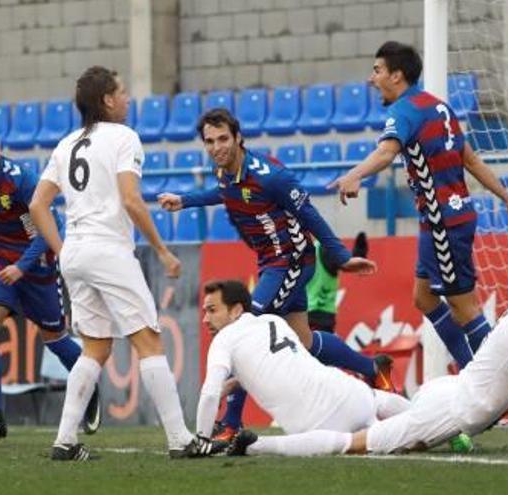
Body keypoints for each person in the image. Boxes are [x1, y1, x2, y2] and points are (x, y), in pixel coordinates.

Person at [158, 109, 393, 440]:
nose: (216, 147)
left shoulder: (271, 177)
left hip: (290, 260)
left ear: (239, 138)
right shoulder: (227, 170)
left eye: (223, 139)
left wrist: (341, 256)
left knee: (244, 328)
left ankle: (230, 424)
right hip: (272, 261)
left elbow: (309, 213)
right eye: (209, 142)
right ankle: (372, 368)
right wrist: (185, 201)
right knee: (305, 341)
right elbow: (225, 192)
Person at [224, 258, 508, 458]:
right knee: (353, 445)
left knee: (384, 427)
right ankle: (256, 445)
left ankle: (364, 396)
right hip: (448, 413)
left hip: (447, 395)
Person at [29, 66, 212, 461]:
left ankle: (65, 441)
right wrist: (162, 250)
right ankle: (181, 440)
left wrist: (62, 250)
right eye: (123, 92)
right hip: (108, 248)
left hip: (75, 252)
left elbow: (36, 204)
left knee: (95, 347)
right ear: (107, 100)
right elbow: (131, 199)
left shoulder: (65, 144)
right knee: (148, 340)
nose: (128, 98)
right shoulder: (124, 137)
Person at [330, 41, 508, 371]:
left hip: (444, 223)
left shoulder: (403, 112)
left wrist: (354, 175)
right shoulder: (439, 108)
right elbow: (472, 161)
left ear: (397, 76)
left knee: (463, 305)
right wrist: (506, 198)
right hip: (443, 219)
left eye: (377, 70)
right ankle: (470, 371)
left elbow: (385, 152)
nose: (371, 78)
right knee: (424, 298)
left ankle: (498, 382)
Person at [0, 121, 98, 443]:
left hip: (37, 265)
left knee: (56, 341)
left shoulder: (20, 179)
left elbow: (48, 227)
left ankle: (88, 385)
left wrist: (22, 266)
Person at [194, 280, 410, 446]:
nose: (205, 319)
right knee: (304, 342)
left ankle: (231, 424)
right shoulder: (274, 321)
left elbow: (210, 393)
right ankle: (424, 413)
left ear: (236, 310)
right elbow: (269, 362)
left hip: (320, 429)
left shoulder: (224, 338)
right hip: (352, 393)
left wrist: (201, 441)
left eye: (212, 310)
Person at [306, 232, 368, 333]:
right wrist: (359, 254)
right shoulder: (324, 249)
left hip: (300, 315)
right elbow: (347, 264)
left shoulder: (296, 252)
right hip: (322, 314)